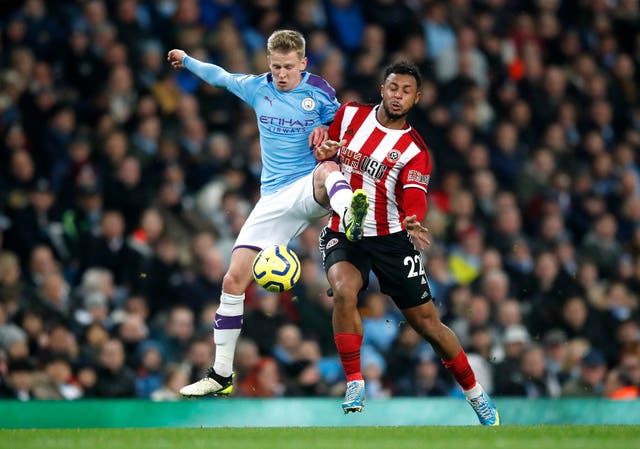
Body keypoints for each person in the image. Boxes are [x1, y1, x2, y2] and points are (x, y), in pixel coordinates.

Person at [167, 30, 368, 397]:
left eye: (289, 67)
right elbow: (222, 76)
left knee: (328, 170)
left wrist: (328, 129)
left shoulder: (318, 91)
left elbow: (349, 126)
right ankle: (222, 374)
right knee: (232, 281)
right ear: (269, 64)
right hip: (272, 199)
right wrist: (188, 60)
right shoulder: (259, 87)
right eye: (276, 67)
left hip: (308, 185)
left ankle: (350, 217)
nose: (282, 74)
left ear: (303, 64)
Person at [315, 60, 500, 425]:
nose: (398, 96)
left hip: (391, 239)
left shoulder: (415, 150)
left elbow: (415, 193)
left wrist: (414, 217)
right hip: (345, 229)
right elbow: (329, 153)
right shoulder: (350, 114)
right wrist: (322, 148)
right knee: (344, 289)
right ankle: (354, 380)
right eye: (393, 88)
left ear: (417, 98)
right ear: (382, 88)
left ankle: (475, 394)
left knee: (428, 325)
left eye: (406, 91)